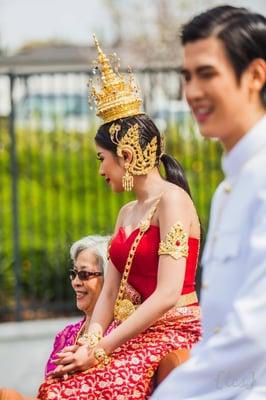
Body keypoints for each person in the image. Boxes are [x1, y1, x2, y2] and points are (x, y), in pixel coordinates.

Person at [37, 36, 201, 399]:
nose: (100, 170)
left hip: (169, 331)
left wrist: (100, 350)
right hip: (128, 332)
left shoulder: (172, 202)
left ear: (125, 155)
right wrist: (89, 342)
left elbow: (167, 295)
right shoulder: (127, 212)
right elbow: (109, 289)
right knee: (57, 383)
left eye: (101, 159)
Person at [152, 5, 266, 400]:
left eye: (206, 74)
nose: (192, 92)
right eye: (186, 76)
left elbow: (252, 333)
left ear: (254, 75)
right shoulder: (227, 189)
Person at [0, 235, 107, 400]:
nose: (76, 282)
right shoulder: (66, 335)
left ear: (110, 279)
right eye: (74, 273)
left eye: (85, 274)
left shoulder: (117, 335)